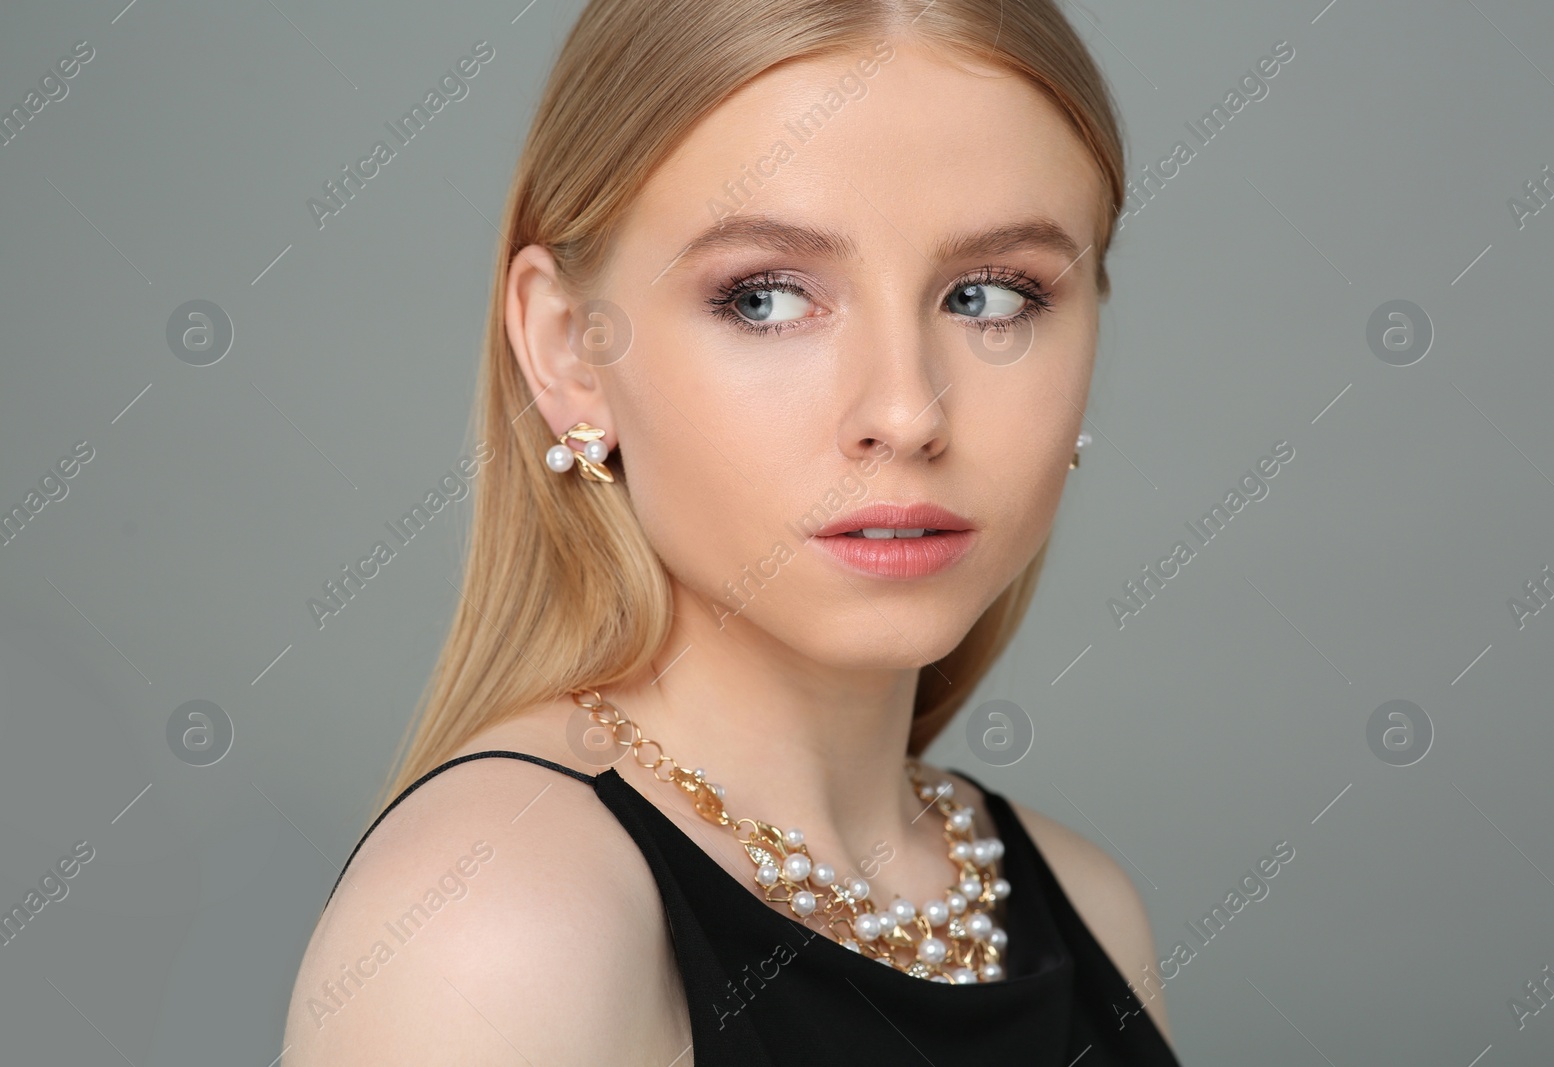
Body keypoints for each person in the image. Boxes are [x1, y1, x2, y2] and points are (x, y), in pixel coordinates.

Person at [285, 0, 1180, 1062]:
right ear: (571, 352)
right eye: (764, 299)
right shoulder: (495, 924)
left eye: (990, 295)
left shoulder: (1084, 905)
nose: (906, 410)